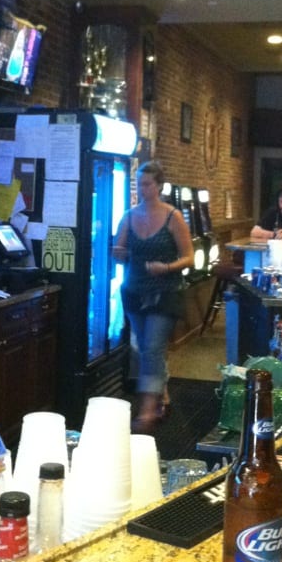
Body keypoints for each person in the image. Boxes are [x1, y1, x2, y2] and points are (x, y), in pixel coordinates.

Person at [113, 160, 194, 433]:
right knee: (145, 348)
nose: (142, 188)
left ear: (159, 186)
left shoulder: (173, 217)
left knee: (152, 348)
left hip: (165, 292)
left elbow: (189, 257)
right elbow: (118, 250)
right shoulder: (129, 216)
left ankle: (146, 412)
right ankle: (163, 395)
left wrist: (166, 267)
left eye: (147, 184)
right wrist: (119, 253)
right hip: (135, 291)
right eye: (139, 183)